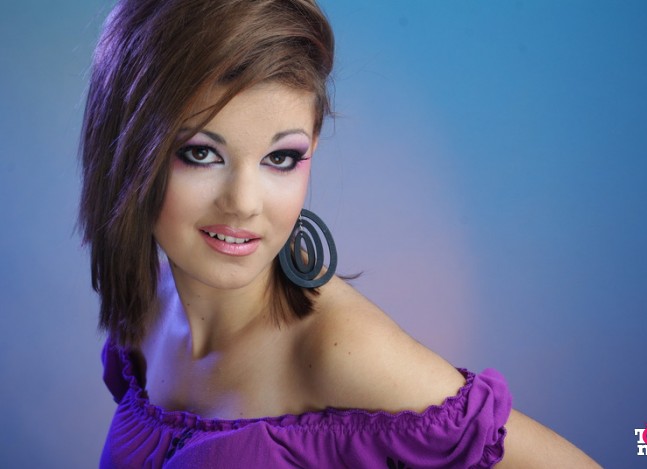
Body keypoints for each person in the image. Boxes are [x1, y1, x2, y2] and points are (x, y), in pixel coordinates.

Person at [80, 0, 600, 467]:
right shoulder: (145, 312)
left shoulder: (338, 346)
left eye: (280, 158)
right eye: (201, 153)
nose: (243, 202)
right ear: (124, 150)